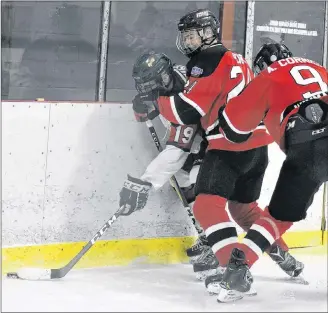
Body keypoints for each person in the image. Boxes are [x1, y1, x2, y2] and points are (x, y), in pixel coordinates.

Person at [118, 9, 303, 283]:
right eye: (185, 35)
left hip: (230, 145)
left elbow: (187, 111)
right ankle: (283, 254)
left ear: (207, 33)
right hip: (258, 146)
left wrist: (155, 105)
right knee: (243, 208)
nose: (186, 41)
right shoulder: (233, 59)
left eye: (191, 35)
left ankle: (226, 264)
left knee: (208, 204)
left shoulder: (206, 61)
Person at [214, 43, 328, 302]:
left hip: (305, 143)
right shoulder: (319, 68)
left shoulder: (266, 77)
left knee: (277, 216)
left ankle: (237, 268)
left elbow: (233, 130)